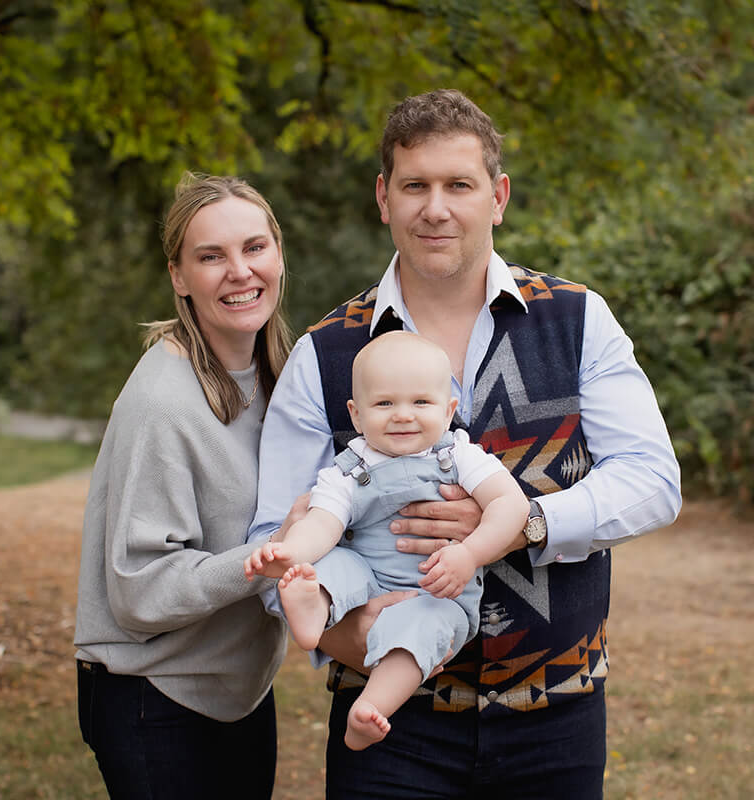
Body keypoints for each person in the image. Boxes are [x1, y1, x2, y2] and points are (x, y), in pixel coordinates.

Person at [249, 89, 681, 799]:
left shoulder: (575, 319)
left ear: (498, 196)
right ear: (384, 197)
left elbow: (653, 480)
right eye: (415, 185)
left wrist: (522, 524)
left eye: (459, 185)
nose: (436, 207)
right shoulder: (325, 353)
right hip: (388, 727)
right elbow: (272, 533)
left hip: (556, 712)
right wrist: (353, 635)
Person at [74, 173, 303, 800]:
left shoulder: (278, 379)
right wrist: (266, 561)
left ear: (278, 254)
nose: (239, 271)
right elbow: (139, 591)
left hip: (237, 689)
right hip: (155, 698)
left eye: (254, 248)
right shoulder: (164, 402)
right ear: (178, 276)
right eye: (211, 256)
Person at [245, 331, 529, 750]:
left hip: (437, 594)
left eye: (420, 402)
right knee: (332, 562)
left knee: (418, 632)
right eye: (384, 404)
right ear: (356, 415)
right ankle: (312, 606)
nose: (402, 416)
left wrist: (469, 554)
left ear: (449, 410)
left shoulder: (459, 456)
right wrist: (289, 552)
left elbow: (510, 504)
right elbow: (322, 522)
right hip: (368, 581)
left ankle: (370, 707)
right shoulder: (349, 469)